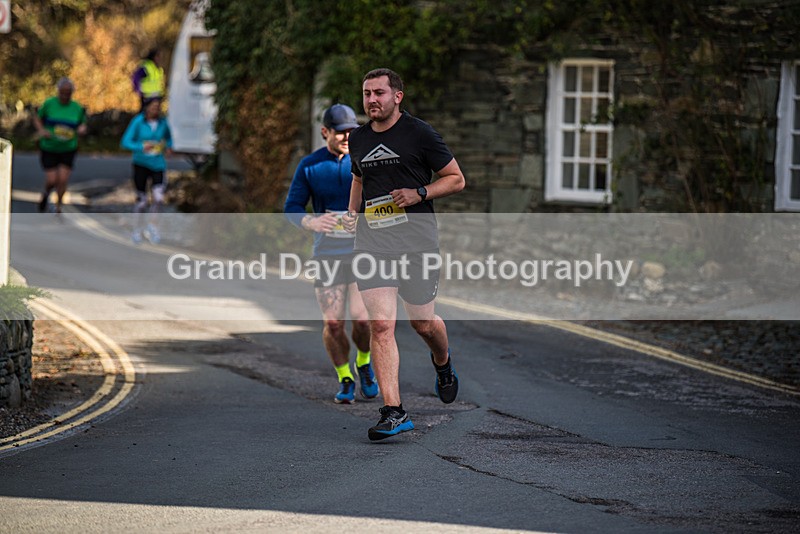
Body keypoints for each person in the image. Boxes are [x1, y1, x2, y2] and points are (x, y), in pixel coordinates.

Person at [342, 68, 466, 441]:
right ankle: (394, 412)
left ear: (398, 96)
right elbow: (359, 177)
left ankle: (443, 362)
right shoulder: (359, 138)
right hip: (373, 244)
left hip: (417, 242)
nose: (371, 100)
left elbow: (456, 179)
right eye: (366, 93)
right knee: (381, 325)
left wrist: (419, 193)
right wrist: (352, 212)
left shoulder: (420, 134)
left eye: (378, 93)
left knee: (423, 323)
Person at [284, 104, 379, 404]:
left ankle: (364, 362)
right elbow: (292, 207)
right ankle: (345, 377)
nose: (347, 137)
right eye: (340, 132)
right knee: (334, 324)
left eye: (352, 131)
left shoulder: (367, 161)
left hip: (363, 252)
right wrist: (311, 222)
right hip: (327, 254)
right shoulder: (310, 166)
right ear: (325, 132)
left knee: (362, 321)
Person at [120, 96, 173, 244]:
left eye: (158, 107)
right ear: (147, 108)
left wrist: (169, 147)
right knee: (142, 201)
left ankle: (153, 227)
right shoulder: (138, 122)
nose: (156, 110)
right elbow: (125, 142)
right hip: (141, 164)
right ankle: (137, 229)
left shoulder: (163, 123)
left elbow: (169, 138)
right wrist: (141, 147)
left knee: (158, 197)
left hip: (158, 164)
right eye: (153, 107)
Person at [33, 77, 88, 214]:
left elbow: (82, 124)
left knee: (63, 179)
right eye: (62, 92)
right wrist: (42, 130)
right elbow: (37, 118)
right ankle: (46, 193)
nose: (65, 95)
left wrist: (82, 129)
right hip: (49, 147)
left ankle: (58, 205)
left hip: (68, 147)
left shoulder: (76, 108)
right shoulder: (49, 103)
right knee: (52, 179)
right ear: (58, 91)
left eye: (68, 93)